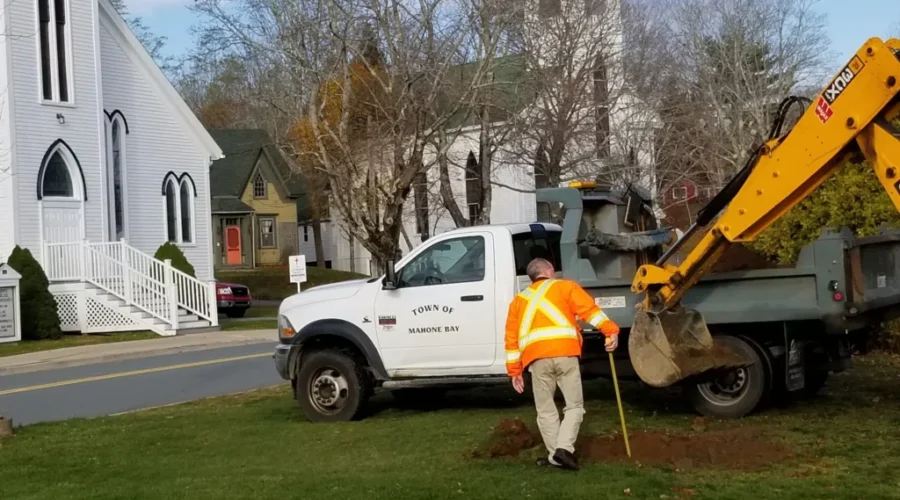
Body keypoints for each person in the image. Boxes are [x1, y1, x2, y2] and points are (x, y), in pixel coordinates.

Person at [504, 257, 620, 471]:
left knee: (546, 411)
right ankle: (564, 450)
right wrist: (610, 331)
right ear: (549, 271)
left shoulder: (518, 301)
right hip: (566, 354)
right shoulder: (566, 287)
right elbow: (590, 312)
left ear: (532, 277)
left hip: (536, 359)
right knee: (574, 406)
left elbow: (511, 339)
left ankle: (554, 456)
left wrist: (514, 371)